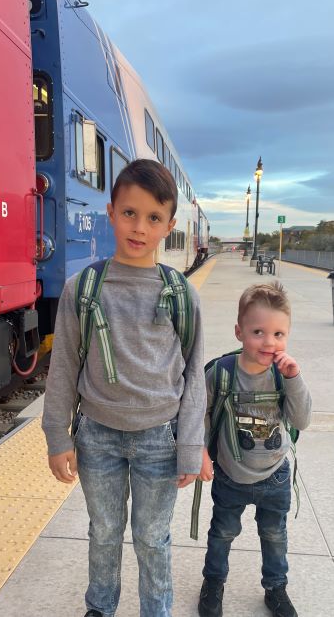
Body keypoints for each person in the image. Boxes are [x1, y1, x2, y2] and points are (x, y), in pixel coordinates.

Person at [42, 159, 206, 617]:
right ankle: (100, 607)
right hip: (98, 437)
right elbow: (64, 368)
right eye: (129, 213)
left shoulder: (180, 294)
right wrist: (58, 436)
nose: (139, 227)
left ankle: (157, 610)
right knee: (104, 531)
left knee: (153, 538)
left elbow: (194, 376)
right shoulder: (84, 288)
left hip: (160, 439)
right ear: (110, 211)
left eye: (154, 218)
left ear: (170, 225)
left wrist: (191, 443)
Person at [198, 282, 311, 617]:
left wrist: (294, 378)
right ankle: (213, 583)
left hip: (275, 477)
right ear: (239, 332)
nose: (269, 342)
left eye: (279, 334)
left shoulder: (283, 375)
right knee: (222, 533)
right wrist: (200, 453)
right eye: (258, 331)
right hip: (231, 476)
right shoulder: (220, 374)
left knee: (274, 536)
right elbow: (200, 415)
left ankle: (276, 588)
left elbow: (301, 420)